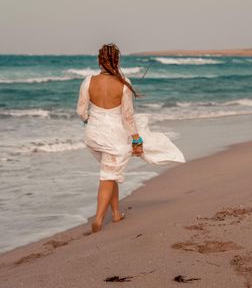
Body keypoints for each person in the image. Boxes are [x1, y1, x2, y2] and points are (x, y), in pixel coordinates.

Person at [76, 43, 185, 233]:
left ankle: (116, 213)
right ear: (117, 60)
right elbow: (127, 116)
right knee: (108, 175)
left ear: (99, 60)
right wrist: (136, 139)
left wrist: (88, 121)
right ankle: (99, 219)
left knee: (110, 173)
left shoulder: (88, 81)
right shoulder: (123, 83)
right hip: (114, 137)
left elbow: (81, 111)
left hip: (93, 136)